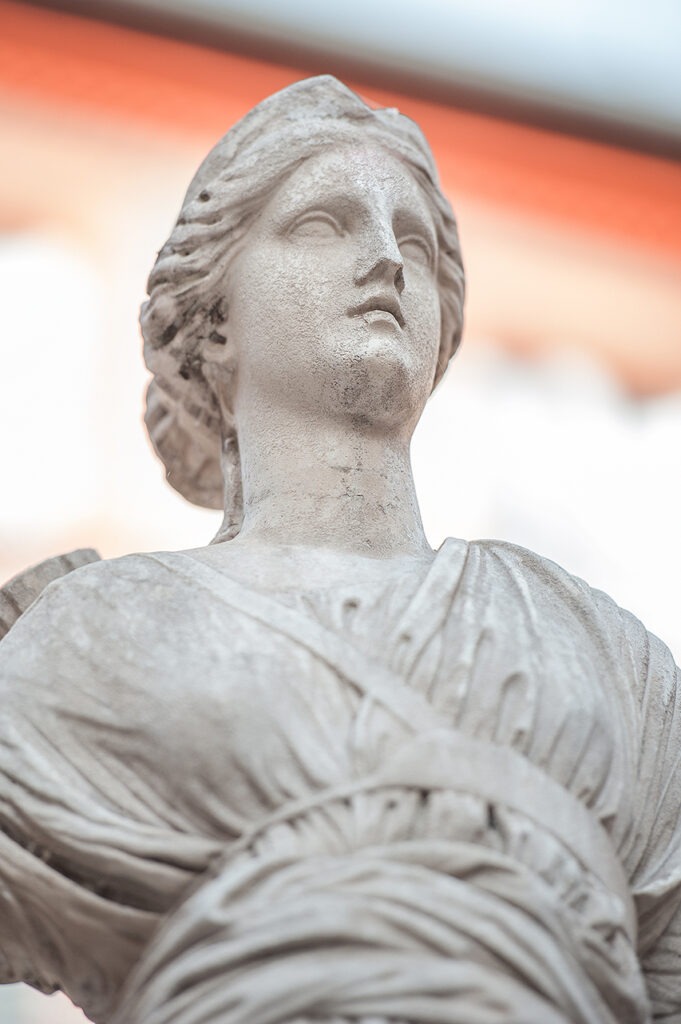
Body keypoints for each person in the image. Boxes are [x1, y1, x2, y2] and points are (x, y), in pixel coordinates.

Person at [0, 76, 679, 1024]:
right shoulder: (96, 637)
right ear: (215, 320)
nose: (385, 263)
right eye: (324, 225)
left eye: (415, 243)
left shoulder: (605, 653)